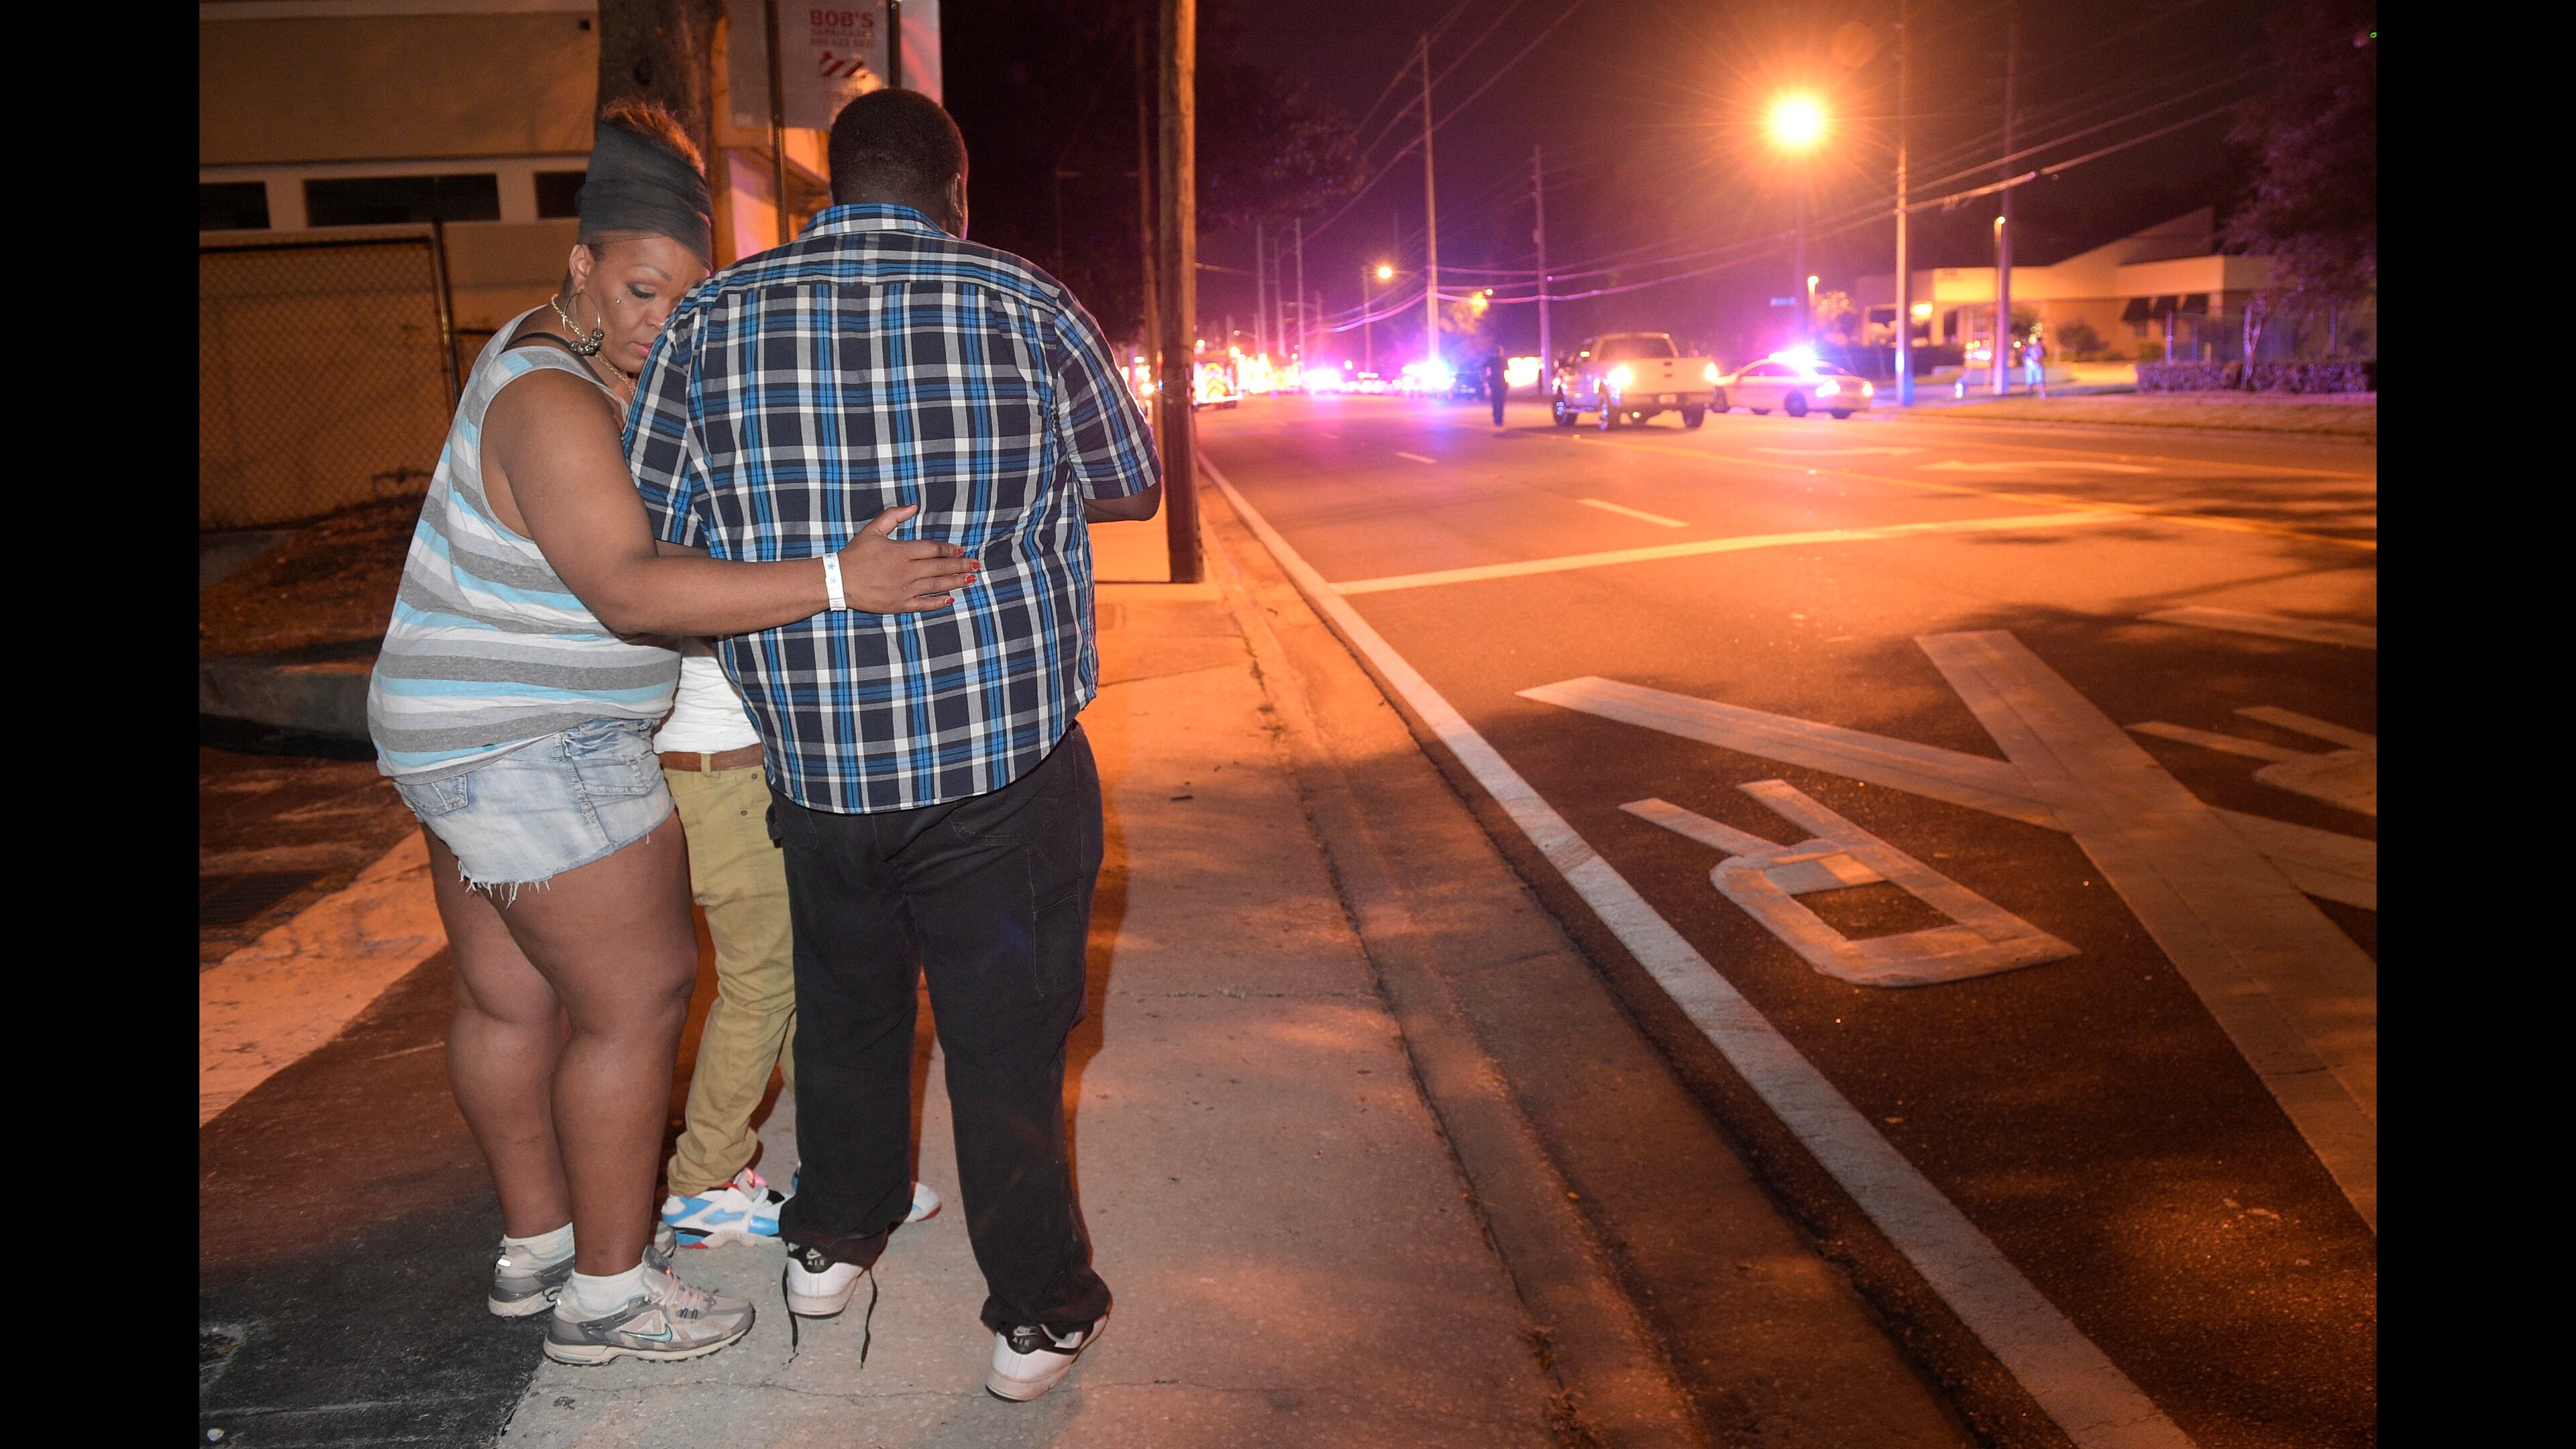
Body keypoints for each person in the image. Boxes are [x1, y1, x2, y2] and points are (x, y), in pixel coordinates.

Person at [366, 101, 977, 1368]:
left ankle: (537, 1248)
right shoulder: (554, 401)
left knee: (511, 1002)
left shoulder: (535, 359)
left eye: (686, 294)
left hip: (448, 733)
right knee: (640, 1003)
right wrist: (836, 580)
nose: (663, 318)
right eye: (642, 287)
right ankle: (606, 1294)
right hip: (541, 741)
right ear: (580, 265)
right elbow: (632, 587)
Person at [627, 87, 1161, 1403]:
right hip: (1003, 766)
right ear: (955, 194)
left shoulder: (709, 319)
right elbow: (1134, 481)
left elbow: (651, 522)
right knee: (1004, 1041)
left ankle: (831, 1237)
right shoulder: (1027, 302)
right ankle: (1037, 1311)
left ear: (827, 191)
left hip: (815, 766)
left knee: (851, 1010)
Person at [652, 643, 943, 1244]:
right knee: (761, 987)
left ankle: (848, 1174)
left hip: (731, 773)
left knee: (790, 985)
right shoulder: (697, 550)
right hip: (724, 774)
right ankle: (701, 1183)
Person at [1483, 344, 1509, 427]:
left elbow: (1483, 367)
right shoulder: (1502, 360)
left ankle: (1497, 419)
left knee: (1496, 401)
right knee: (1500, 402)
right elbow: (1508, 372)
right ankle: (1499, 419)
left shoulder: (1492, 360)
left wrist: (1486, 378)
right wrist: (1508, 382)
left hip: (1495, 383)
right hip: (1500, 383)